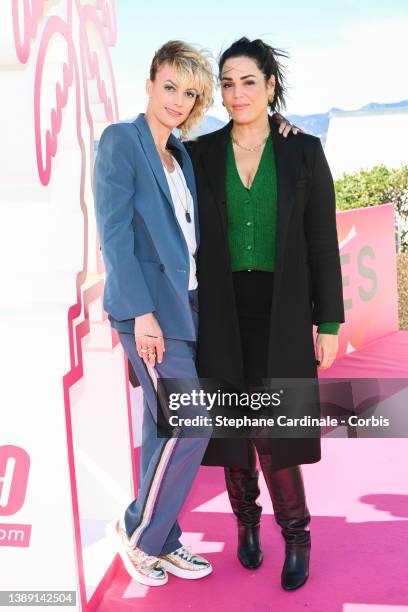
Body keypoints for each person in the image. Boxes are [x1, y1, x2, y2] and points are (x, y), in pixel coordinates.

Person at [186, 37, 345, 591]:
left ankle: (297, 535)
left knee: (277, 433)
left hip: (282, 312)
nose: (236, 93)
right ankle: (246, 526)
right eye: (227, 83)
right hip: (222, 312)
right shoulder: (200, 154)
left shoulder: (303, 151)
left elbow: (322, 241)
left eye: (248, 81)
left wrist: (328, 323)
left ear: (270, 86)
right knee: (234, 431)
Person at [93, 41, 217, 587]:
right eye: (170, 86)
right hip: (147, 314)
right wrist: (142, 314)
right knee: (193, 424)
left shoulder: (181, 156)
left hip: (184, 310)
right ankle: (140, 533)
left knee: (164, 426)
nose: (177, 100)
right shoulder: (122, 140)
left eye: (189, 93)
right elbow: (115, 232)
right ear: (149, 83)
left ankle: (164, 540)